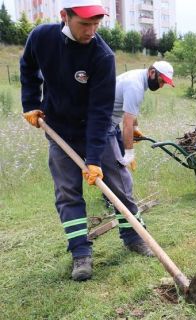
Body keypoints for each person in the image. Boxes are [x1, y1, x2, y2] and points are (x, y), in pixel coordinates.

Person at [20, 0, 152, 282]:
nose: (92, 30)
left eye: (97, 23)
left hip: (97, 130)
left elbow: (101, 112)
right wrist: (30, 103)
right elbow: (28, 67)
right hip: (58, 130)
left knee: (119, 186)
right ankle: (81, 254)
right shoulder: (41, 38)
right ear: (64, 16)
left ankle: (134, 238)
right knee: (67, 193)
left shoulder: (102, 56)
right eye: (85, 24)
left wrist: (93, 159)